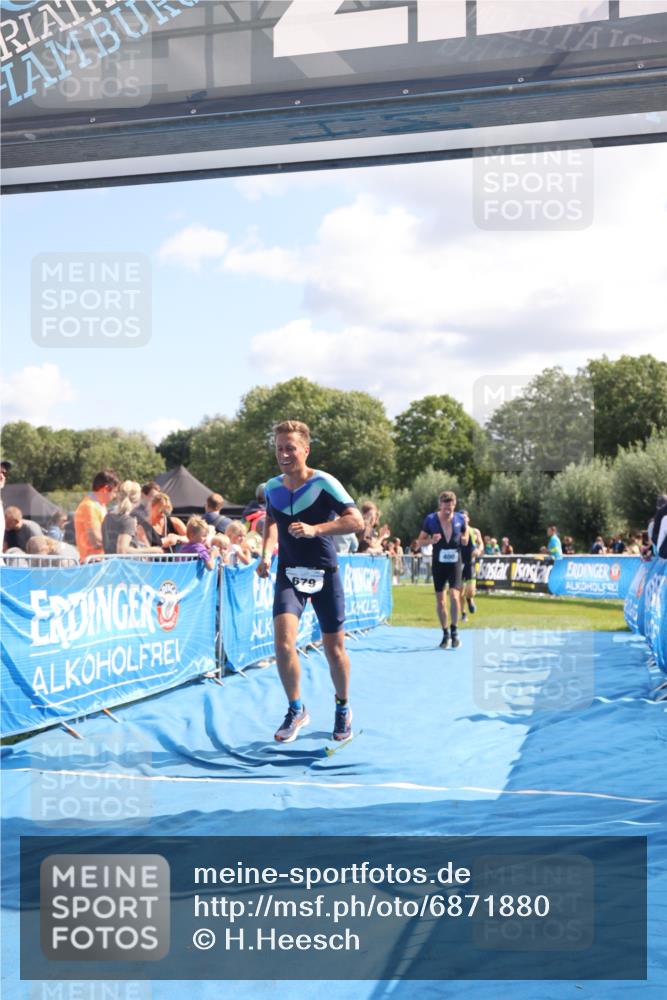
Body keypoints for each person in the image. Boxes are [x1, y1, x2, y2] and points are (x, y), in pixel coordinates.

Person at [256, 420, 364, 744]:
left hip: (323, 573)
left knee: (334, 649)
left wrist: (317, 529)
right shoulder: (272, 487)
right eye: (279, 449)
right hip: (289, 573)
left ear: (306, 449)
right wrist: (265, 553)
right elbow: (271, 521)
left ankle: (343, 707)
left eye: (290, 448)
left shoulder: (324, 483)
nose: (284, 454)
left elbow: (356, 520)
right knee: (283, 643)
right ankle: (296, 709)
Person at [416, 490, 469, 649]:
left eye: (450, 508)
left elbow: (466, 535)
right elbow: (420, 541)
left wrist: (465, 539)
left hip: (455, 563)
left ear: (454, 506)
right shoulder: (431, 520)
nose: (448, 511)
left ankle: (454, 630)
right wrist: (432, 540)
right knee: (441, 600)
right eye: (445, 508)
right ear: (440, 505)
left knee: (454, 596)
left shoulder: (460, 518)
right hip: (438, 563)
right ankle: (445, 632)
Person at [74, 469, 119, 562]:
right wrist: (121, 544)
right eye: (114, 492)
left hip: (100, 561)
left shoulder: (101, 505)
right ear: (106, 489)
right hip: (92, 563)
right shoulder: (89, 506)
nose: (115, 496)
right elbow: (96, 541)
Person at [460, 511, 482, 623]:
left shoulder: (475, 531)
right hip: (458, 563)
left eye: (465, 517)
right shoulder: (456, 531)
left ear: (468, 519)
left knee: (471, 591)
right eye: (461, 518)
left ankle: (469, 599)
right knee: (459, 591)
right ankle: (463, 614)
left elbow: (481, 543)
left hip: (470, 563)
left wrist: (478, 550)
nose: (463, 519)